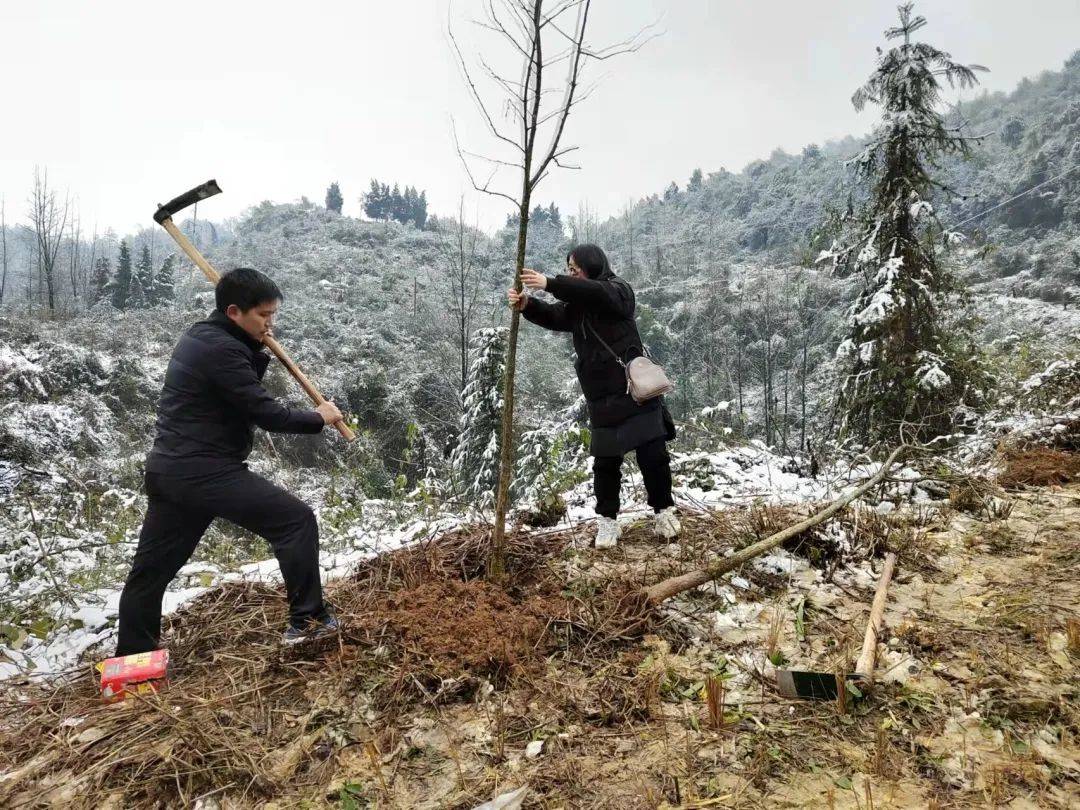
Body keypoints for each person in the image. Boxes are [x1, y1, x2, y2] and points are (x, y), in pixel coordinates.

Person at [115, 268, 345, 654]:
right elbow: (265, 412)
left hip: (170, 471)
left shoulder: (204, 337)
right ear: (235, 311)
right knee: (295, 521)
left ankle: (133, 660)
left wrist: (256, 342)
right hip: (206, 470)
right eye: (263, 316)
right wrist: (318, 417)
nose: (270, 324)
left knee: (149, 576)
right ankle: (309, 621)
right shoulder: (221, 349)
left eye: (273, 315)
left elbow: (236, 385)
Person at [508, 244, 680, 548]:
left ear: (592, 265)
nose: (572, 273)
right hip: (601, 397)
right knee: (605, 464)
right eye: (569, 270)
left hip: (634, 390)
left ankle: (664, 511)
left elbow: (595, 293)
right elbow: (554, 315)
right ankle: (608, 522)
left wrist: (551, 283)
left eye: (575, 268)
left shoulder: (618, 291)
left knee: (652, 456)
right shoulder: (578, 307)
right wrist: (527, 305)